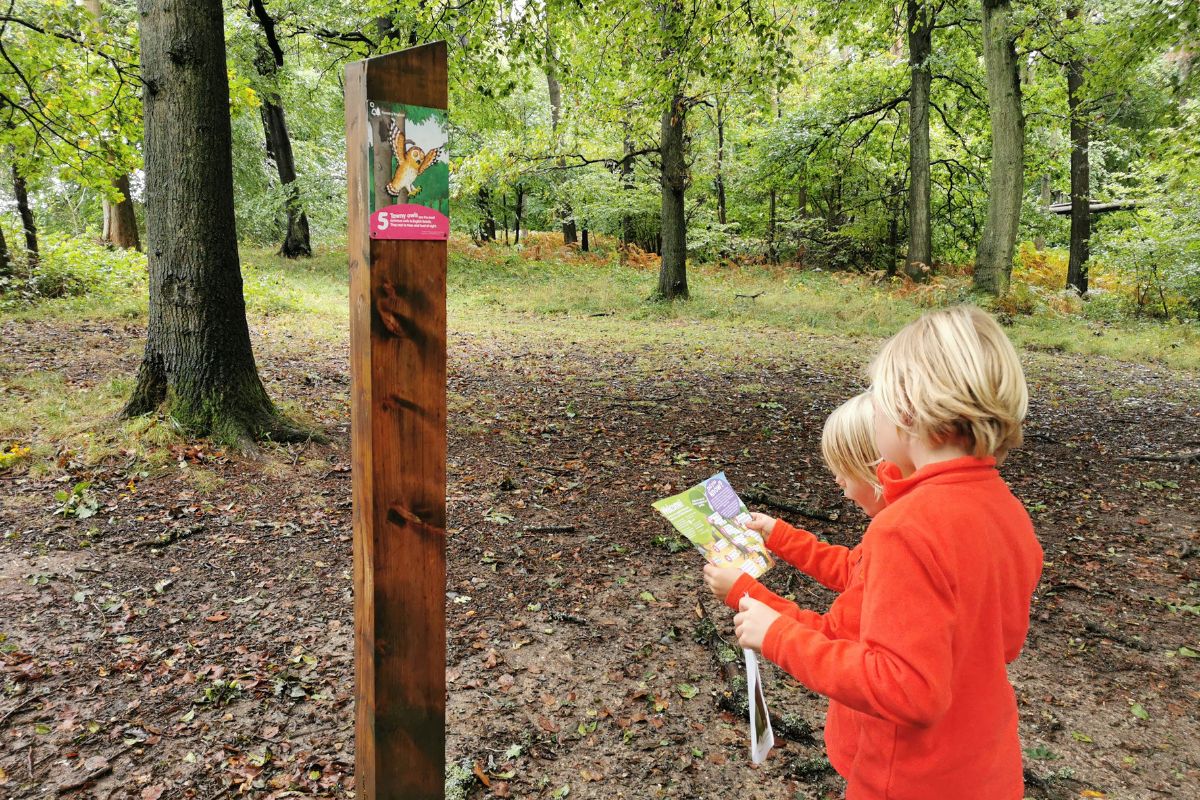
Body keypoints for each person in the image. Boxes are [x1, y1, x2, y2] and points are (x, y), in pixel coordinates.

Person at [732, 306, 1043, 799]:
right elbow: (1003, 643)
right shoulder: (1007, 511)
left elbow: (905, 691)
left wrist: (778, 635)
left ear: (905, 409)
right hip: (984, 766)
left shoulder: (907, 527)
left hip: (909, 778)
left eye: (876, 398)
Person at [702, 391, 883, 622]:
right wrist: (779, 535)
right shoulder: (888, 529)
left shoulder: (894, 545)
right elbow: (849, 569)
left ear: (877, 471)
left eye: (845, 469)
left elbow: (831, 639)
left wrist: (745, 595)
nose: (838, 479)